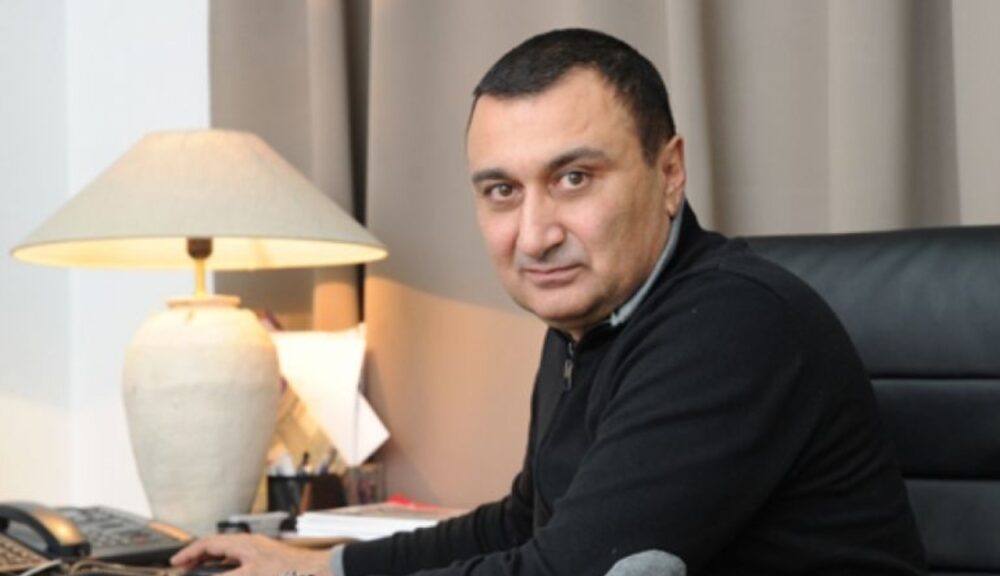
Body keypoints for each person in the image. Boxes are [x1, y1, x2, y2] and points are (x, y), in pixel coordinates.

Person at [173, 28, 927, 576]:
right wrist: (318, 566)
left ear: (669, 174)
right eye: (503, 190)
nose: (535, 236)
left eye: (574, 179)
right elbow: (521, 524)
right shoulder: (588, 323)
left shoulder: (731, 325)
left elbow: (562, 571)